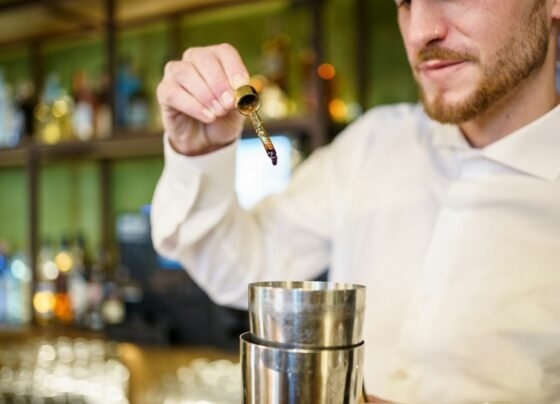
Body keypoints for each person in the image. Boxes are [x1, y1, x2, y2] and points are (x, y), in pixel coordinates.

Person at [151, 0, 560, 402]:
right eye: (404, 3)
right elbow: (240, 271)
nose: (419, 32)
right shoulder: (372, 144)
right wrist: (199, 152)